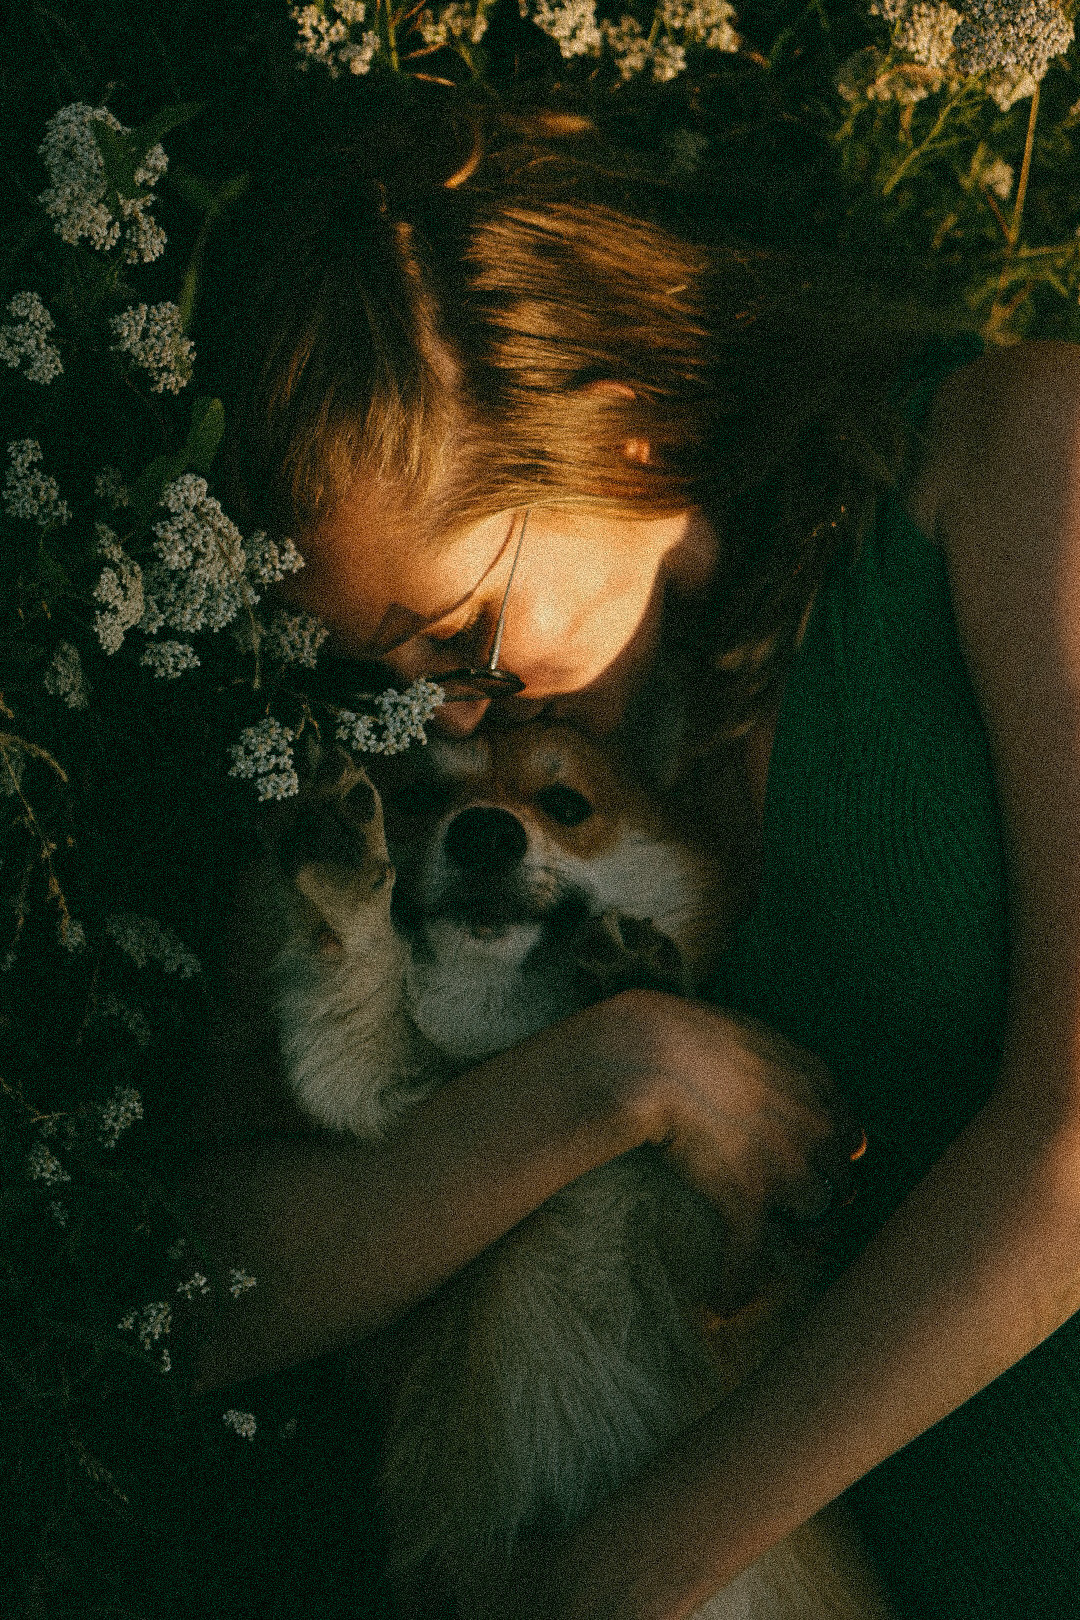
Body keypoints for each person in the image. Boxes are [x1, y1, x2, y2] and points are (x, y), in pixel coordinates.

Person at [182, 80, 1080, 1618]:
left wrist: (617, 1572)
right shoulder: (450, 788)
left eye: (463, 629)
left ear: (623, 419)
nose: (440, 706)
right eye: (385, 672)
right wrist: (619, 1077)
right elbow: (203, 1289)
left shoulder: (1019, 460)